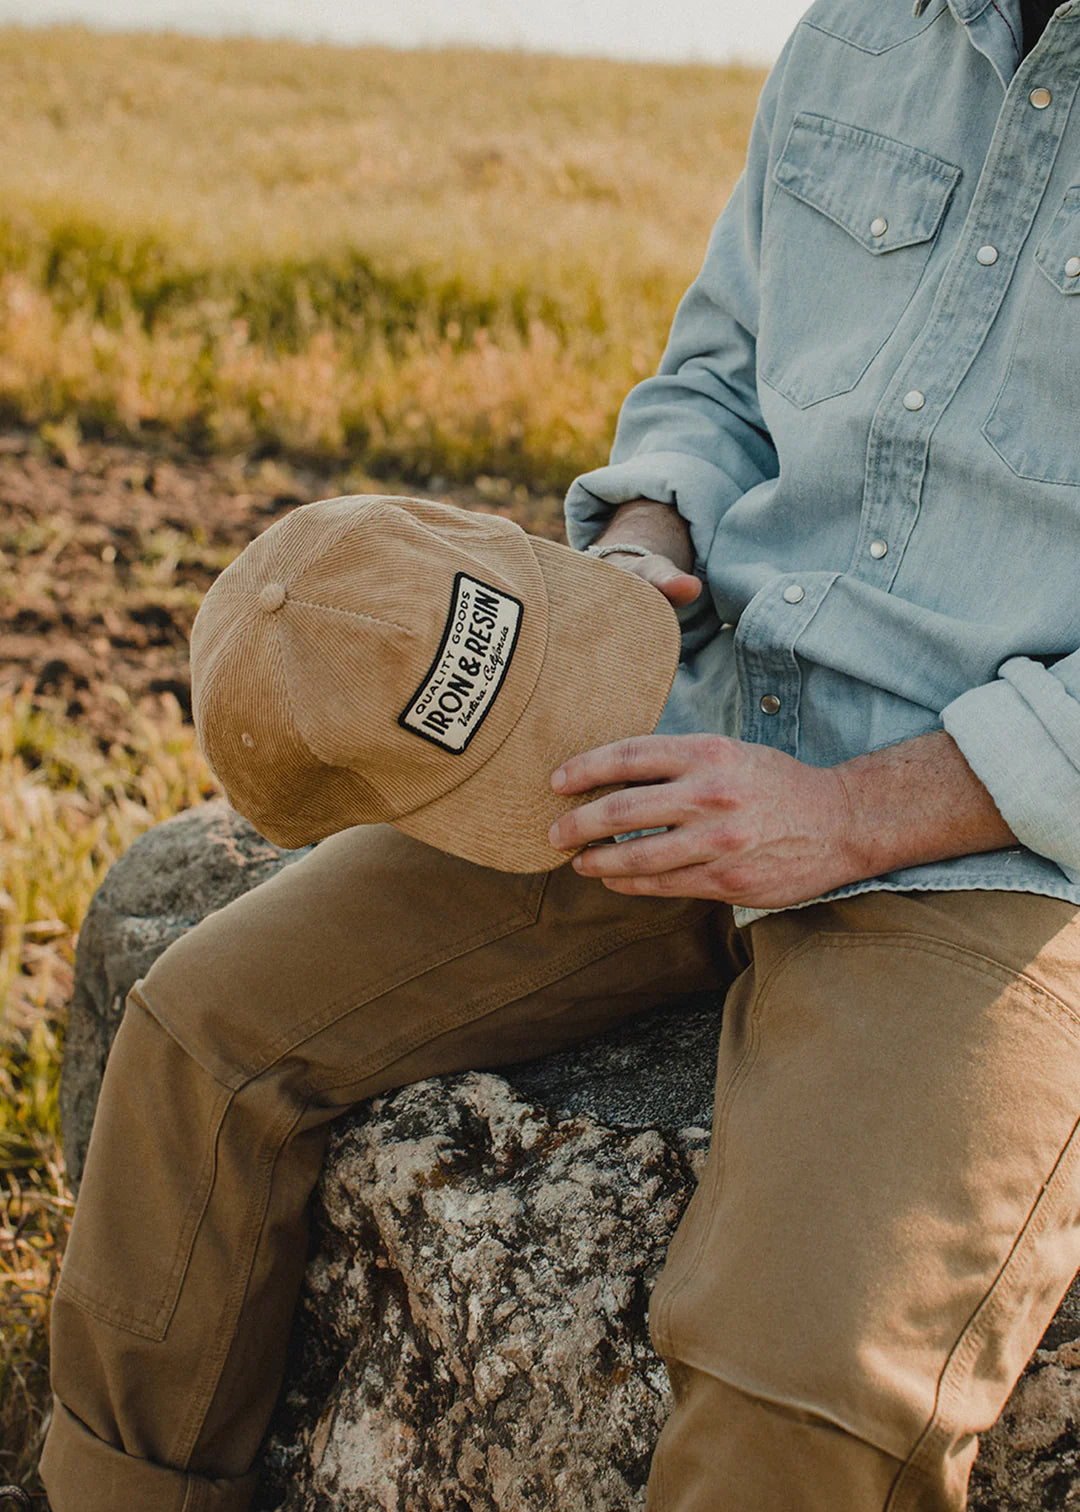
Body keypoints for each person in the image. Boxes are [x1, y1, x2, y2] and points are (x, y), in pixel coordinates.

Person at [33, 0, 1080, 1505]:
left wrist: (851, 817)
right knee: (203, 1039)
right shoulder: (856, 36)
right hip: (696, 728)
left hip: (997, 849)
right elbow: (719, 376)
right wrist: (649, 542)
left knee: (802, 1391)